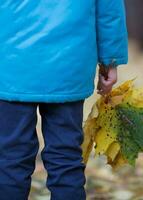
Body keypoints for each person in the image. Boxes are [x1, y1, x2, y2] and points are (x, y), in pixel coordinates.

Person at [0, 0, 128, 199]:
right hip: (69, 61)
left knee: (11, 157)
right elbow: (108, 9)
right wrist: (110, 59)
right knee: (65, 156)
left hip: (10, 60)